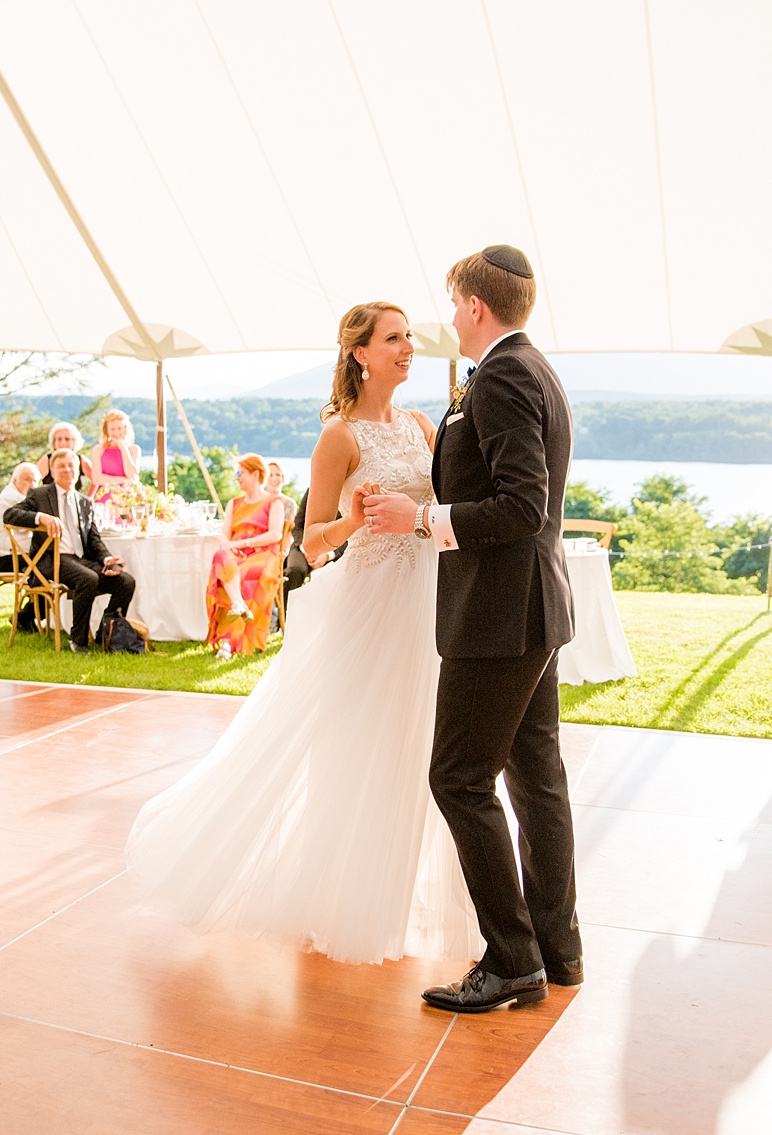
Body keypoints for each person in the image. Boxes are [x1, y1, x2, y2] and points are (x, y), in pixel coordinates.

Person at [126, 300, 475, 965]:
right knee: (356, 750)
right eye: (394, 338)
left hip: (425, 604)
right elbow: (311, 546)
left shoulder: (423, 426)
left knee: (416, 748)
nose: (409, 347)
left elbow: (438, 509)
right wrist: (352, 520)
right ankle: (343, 899)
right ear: (360, 353)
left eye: (409, 337)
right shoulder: (339, 438)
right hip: (368, 607)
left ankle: (397, 894)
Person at [366, 245, 582, 1011]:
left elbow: (524, 505)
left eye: (454, 301)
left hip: (498, 615)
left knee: (457, 776)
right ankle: (558, 948)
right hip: (530, 609)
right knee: (535, 777)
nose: (449, 314)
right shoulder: (534, 369)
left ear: (475, 306)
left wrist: (423, 518)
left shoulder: (503, 378)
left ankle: (513, 957)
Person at [7, 448, 133, 653]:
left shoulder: (85, 502)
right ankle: (78, 640)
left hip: (80, 559)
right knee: (88, 579)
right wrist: (41, 517)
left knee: (125, 581)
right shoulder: (39, 495)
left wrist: (107, 558)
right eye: (61, 466)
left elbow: (94, 539)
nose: (67, 470)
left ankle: (107, 635)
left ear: (78, 471)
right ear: (52, 471)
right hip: (50, 559)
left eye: (71, 466)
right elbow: (10, 515)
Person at [204, 454, 285, 660]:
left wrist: (242, 543)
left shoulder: (274, 502)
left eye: (241, 473)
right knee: (220, 556)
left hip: (263, 553)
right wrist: (228, 544)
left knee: (247, 573)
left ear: (255, 474)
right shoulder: (234, 503)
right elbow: (225, 533)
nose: (237, 478)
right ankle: (238, 604)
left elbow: (275, 534)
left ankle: (227, 642)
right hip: (236, 553)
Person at [0, 462, 43, 633]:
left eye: (35, 481)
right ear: (15, 480)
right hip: (3, 559)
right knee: (50, 570)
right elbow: (30, 527)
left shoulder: (10, 494)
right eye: (27, 480)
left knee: (48, 567)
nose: (32, 485)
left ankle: (28, 616)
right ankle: (26, 616)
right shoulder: (14, 499)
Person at [89, 410, 141, 504]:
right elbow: (96, 478)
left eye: (119, 428)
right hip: (104, 499)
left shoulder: (134, 450)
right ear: (107, 430)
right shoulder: (98, 449)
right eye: (112, 429)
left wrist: (123, 448)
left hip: (126, 500)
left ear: (125, 429)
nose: (116, 432)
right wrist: (125, 480)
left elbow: (132, 474)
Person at [37, 422, 94, 490]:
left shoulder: (81, 460)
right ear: (54, 442)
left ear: (74, 441)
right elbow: (32, 480)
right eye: (59, 439)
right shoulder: (46, 460)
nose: (63, 443)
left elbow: (96, 480)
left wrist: (89, 497)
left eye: (67, 439)